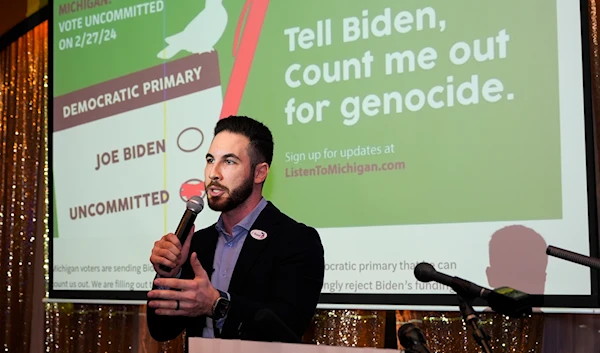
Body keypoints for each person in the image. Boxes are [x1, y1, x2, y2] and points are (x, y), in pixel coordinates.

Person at [146, 115, 325, 343]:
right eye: (210, 160)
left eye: (229, 161)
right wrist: (171, 272)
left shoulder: (297, 240)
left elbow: (288, 327)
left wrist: (217, 304)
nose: (213, 173)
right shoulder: (198, 244)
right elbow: (161, 330)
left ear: (259, 173)